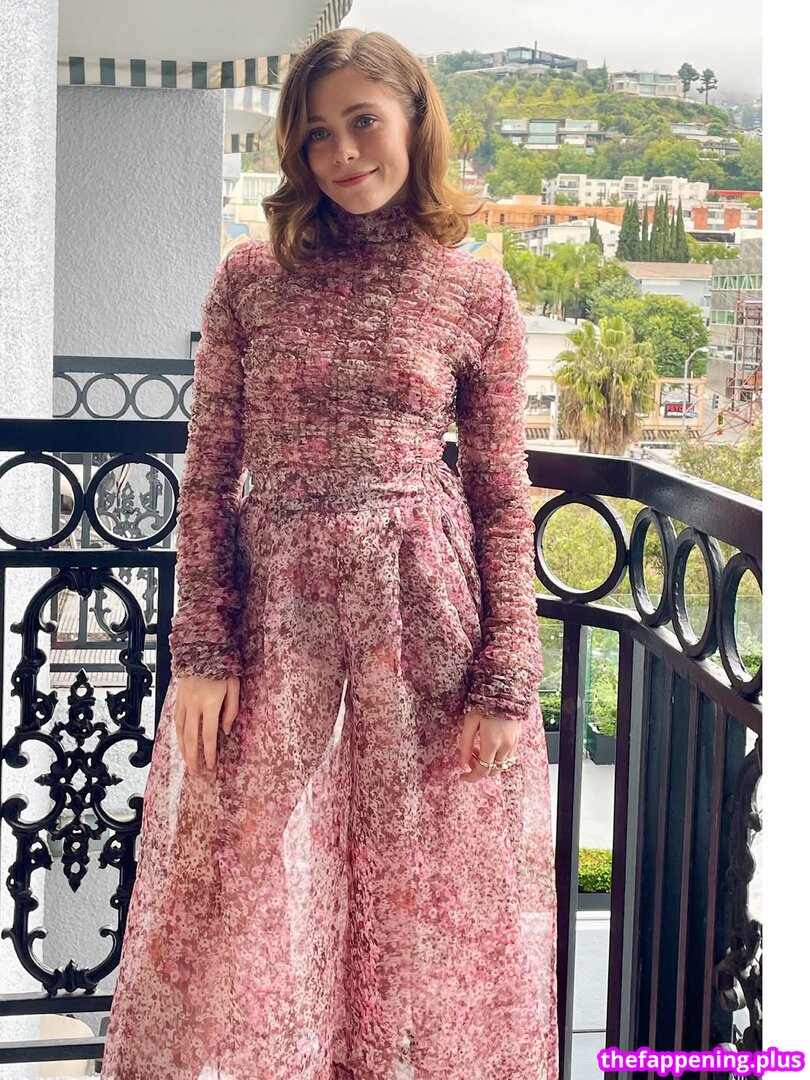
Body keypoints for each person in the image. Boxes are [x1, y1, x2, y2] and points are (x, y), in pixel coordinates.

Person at [100, 27, 558, 1080]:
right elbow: (209, 475)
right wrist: (202, 650)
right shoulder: (251, 279)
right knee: (235, 864)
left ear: (414, 122)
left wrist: (507, 674)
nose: (344, 153)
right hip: (278, 609)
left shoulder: (477, 294)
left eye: (363, 122)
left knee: (421, 879)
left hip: (423, 611)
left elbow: (499, 496)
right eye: (317, 135)